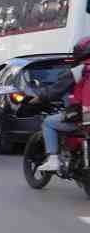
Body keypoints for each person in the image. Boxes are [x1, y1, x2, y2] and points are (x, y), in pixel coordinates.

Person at [40, 36, 90, 174]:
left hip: (85, 117)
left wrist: (39, 97)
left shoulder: (82, 69)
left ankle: (53, 160)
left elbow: (56, 90)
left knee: (48, 123)